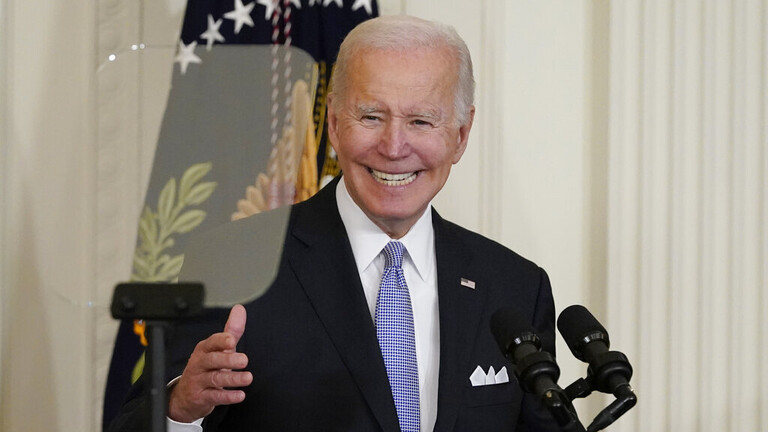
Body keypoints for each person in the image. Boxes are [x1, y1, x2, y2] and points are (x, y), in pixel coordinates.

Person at [109, 15, 559, 432]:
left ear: (460, 135)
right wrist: (180, 409)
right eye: (371, 117)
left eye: (421, 121)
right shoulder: (232, 263)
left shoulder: (516, 288)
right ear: (335, 123)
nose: (394, 147)